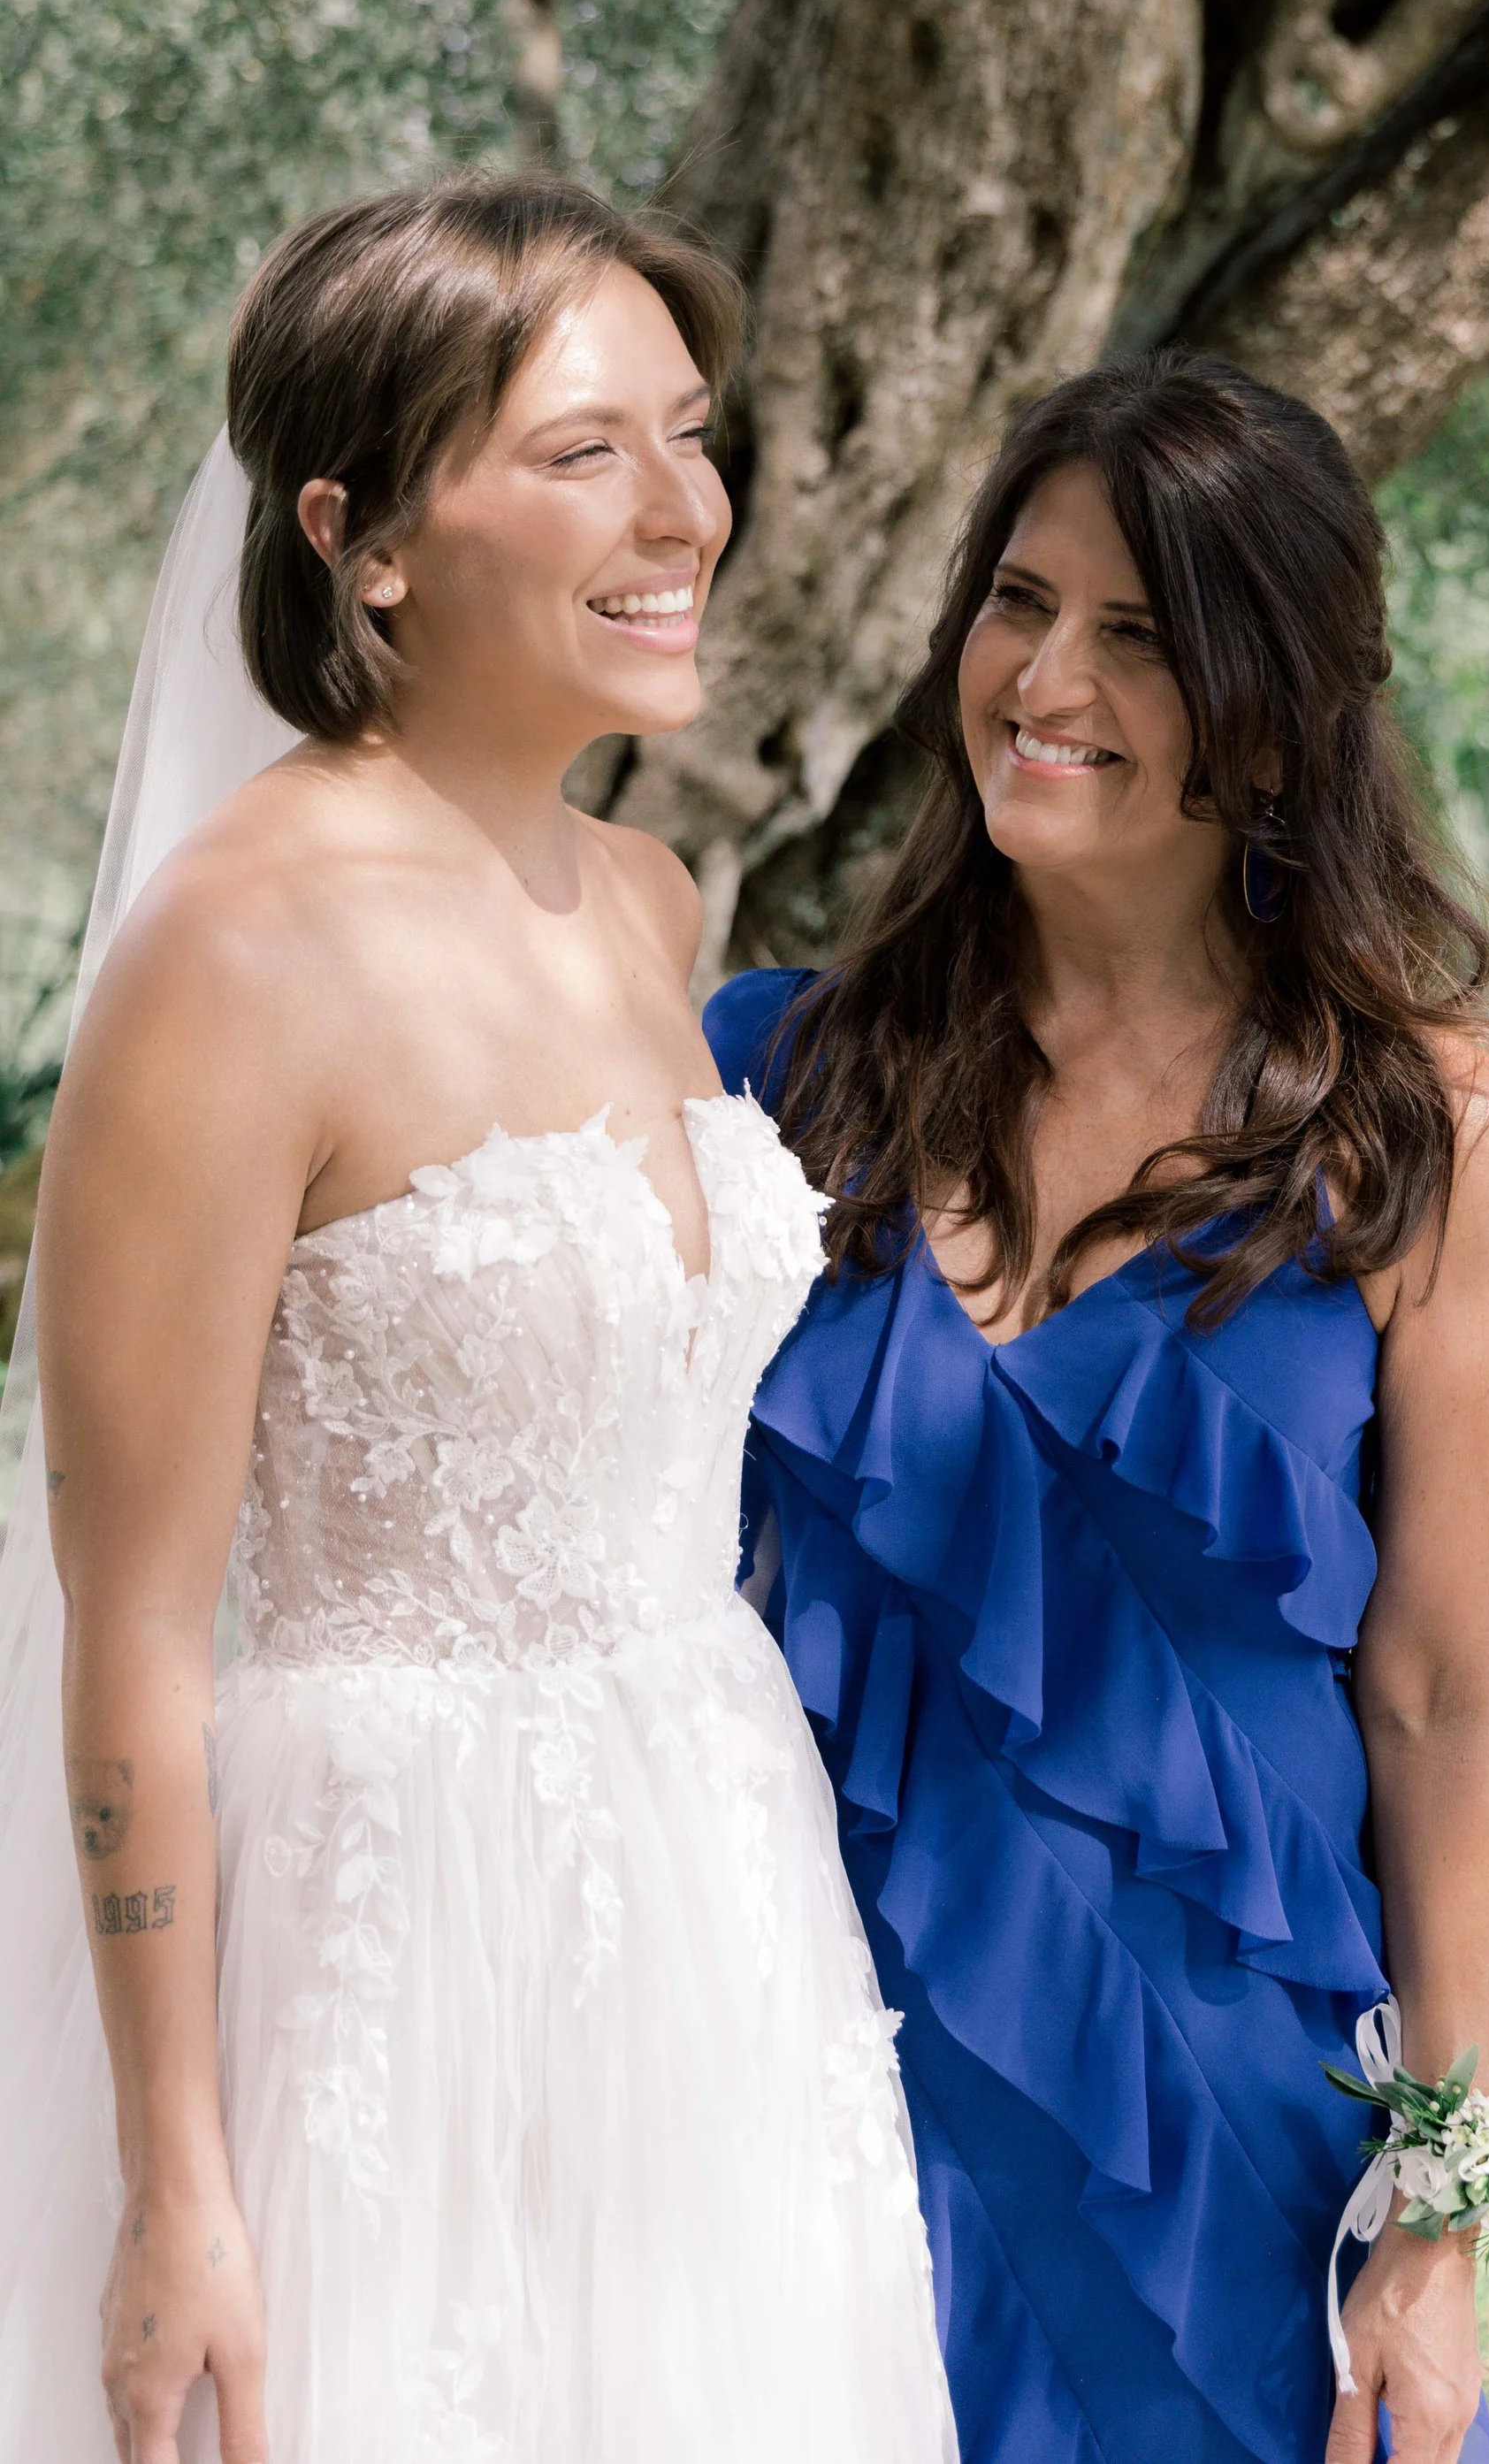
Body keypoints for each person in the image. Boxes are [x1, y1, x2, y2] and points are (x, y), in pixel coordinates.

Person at [0, 180, 955, 2464]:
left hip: (712, 1867)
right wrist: (183, 2181)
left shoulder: (649, 895)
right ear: (368, 537)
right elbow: (127, 1623)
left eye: (691, 436)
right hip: (386, 1915)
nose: (680, 510)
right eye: (580, 450)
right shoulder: (232, 955)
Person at [706, 352, 1489, 2464]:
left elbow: (1447, 1694)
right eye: (1017, 601)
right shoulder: (762, 1079)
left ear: (1269, 707)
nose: (1041, 675)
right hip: (789, 2075)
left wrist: (1435, 2217)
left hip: (1225, 2132)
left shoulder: (1423, 1135)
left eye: (1137, 632)